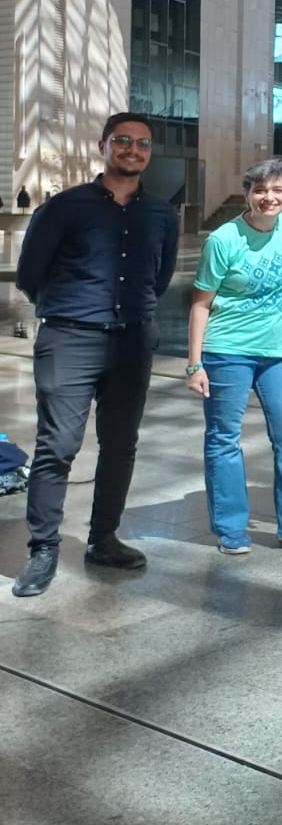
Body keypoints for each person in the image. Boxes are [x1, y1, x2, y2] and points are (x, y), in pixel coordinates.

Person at [10, 113, 178, 597]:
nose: (132, 149)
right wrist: (71, 309)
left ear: (149, 152)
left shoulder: (161, 215)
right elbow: (30, 274)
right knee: (58, 445)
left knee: (121, 443)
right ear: (103, 145)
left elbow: (160, 277)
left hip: (131, 342)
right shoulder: (65, 207)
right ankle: (43, 549)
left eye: (142, 143)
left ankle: (103, 539)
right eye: (122, 140)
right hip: (70, 338)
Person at [186, 159, 282, 555]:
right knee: (224, 437)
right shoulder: (223, 240)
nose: (269, 198)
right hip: (227, 351)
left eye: (278, 190)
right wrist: (195, 364)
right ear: (247, 194)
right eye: (260, 190)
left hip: (279, 354)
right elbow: (201, 305)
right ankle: (230, 528)